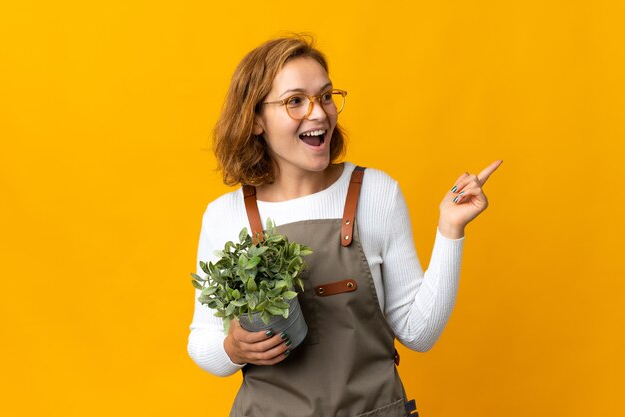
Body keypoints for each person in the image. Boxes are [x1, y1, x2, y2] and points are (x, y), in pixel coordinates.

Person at [187, 34, 502, 417]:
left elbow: (419, 333)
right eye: (295, 101)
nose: (318, 113)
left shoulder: (377, 193)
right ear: (255, 120)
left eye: (325, 96)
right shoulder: (225, 215)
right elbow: (203, 342)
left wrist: (450, 230)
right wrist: (232, 349)